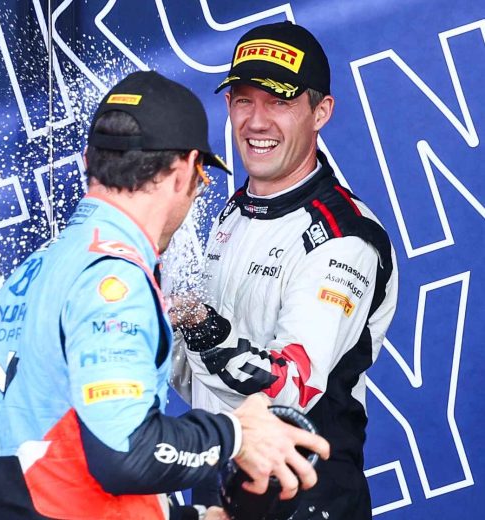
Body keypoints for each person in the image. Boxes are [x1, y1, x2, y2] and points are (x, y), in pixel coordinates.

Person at [0, 70, 330, 520]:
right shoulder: (113, 279)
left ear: (88, 161)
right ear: (184, 171)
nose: (196, 193)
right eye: (201, 179)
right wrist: (235, 435)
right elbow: (124, 454)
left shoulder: (33, 271)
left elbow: (60, 467)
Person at [172, 21, 399, 519]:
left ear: (321, 112)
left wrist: (198, 325)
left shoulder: (344, 237)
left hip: (304, 497)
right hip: (221, 487)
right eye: (243, 101)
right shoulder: (235, 212)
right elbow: (198, 384)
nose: (256, 121)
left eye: (278, 102)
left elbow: (289, 386)